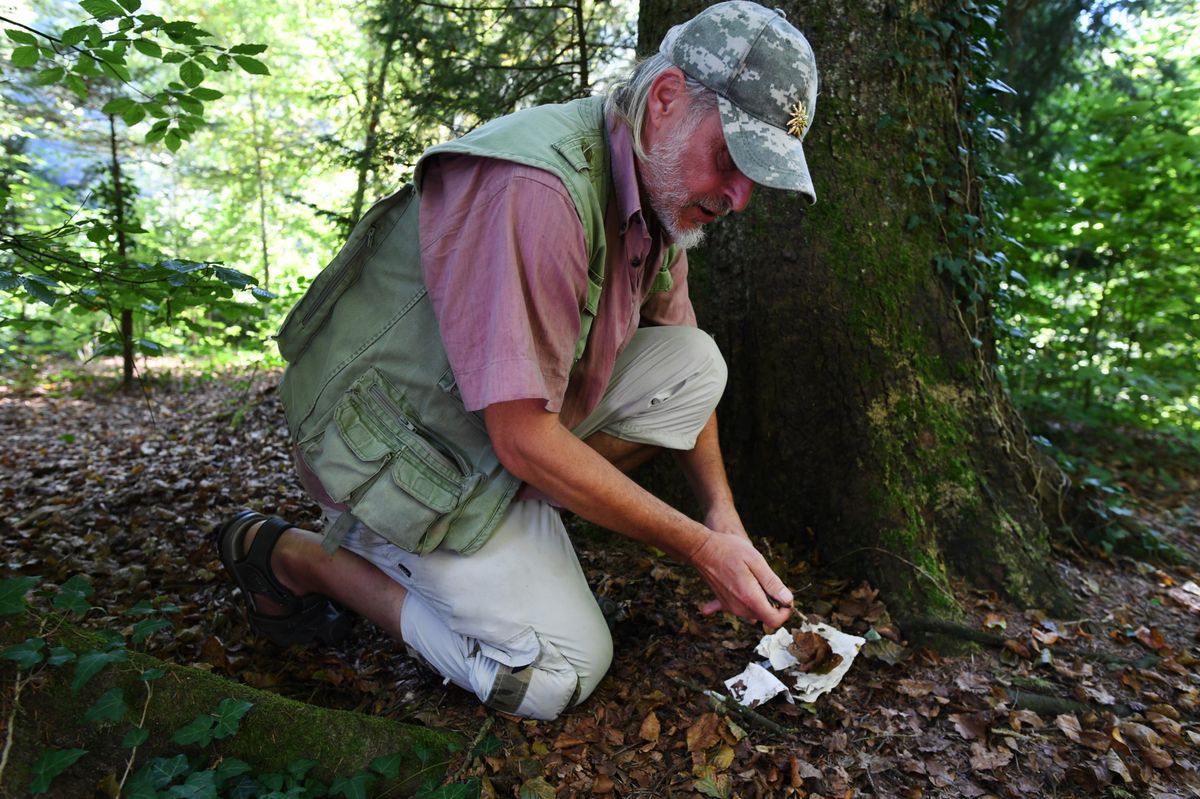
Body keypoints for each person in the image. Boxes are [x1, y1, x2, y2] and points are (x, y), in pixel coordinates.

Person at [217, 0, 819, 721]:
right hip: (384, 449)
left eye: (758, 176)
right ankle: (305, 556)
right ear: (665, 101)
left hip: (488, 432)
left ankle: (508, 534)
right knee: (560, 674)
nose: (740, 197)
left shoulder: (657, 193)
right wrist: (696, 546)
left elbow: (680, 356)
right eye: (730, 159)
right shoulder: (541, 190)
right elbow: (521, 435)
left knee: (698, 365)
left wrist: (723, 518)